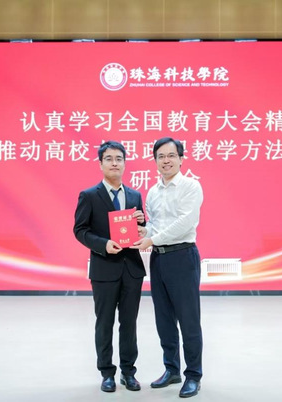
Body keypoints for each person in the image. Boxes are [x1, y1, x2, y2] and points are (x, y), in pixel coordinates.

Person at [132, 137, 204, 398]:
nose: (166, 161)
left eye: (171, 155)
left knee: (188, 319)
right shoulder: (153, 192)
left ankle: (193, 375)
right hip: (158, 259)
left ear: (181, 159)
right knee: (163, 319)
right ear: (155, 161)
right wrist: (144, 231)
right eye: (160, 156)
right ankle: (172, 369)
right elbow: (155, 225)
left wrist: (152, 239)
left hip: (182, 256)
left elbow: (185, 223)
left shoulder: (191, 186)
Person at [73, 141, 146, 393]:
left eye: (119, 159)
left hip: (132, 270)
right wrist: (103, 244)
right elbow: (80, 230)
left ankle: (128, 372)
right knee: (104, 323)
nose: (115, 163)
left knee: (129, 323)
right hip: (104, 269)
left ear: (125, 163)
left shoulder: (135, 195)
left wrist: (142, 224)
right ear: (101, 164)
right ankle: (106, 373)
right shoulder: (89, 195)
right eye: (109, 159)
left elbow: (140, 230)